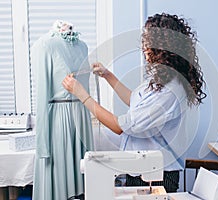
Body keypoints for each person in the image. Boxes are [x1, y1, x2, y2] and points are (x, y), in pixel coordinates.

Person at [62, 13, 206, 192]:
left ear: (162, 46)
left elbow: (122, 126)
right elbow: (134, 100)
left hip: (158, 176)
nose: (144, 46)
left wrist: (82, 95)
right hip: (141, 170)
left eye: (147, 40)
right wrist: (108, 75)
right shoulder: (162, 76)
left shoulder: (170, 90)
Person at [32, 20, 94, 200]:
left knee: (85, 181)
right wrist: (42, 144)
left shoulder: (82, 46)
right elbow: (42, 94)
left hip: (81, 116)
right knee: (61, 176)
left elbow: (85, 87)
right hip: (60, 118)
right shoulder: (45, 45)